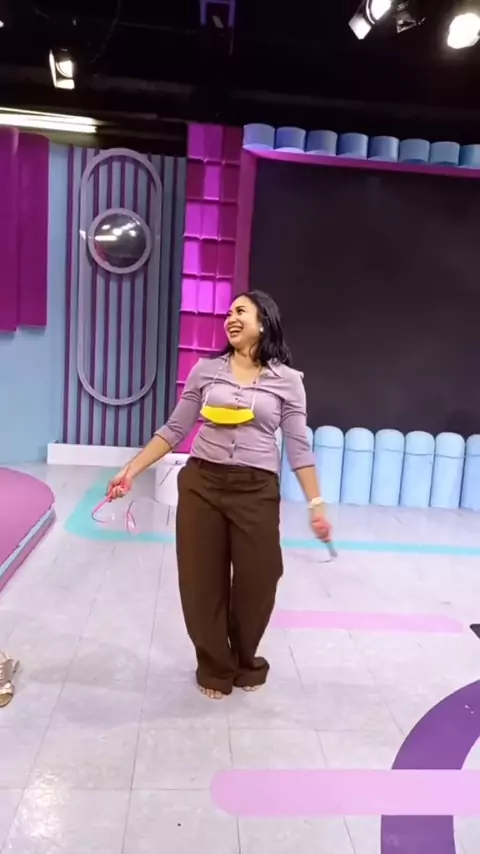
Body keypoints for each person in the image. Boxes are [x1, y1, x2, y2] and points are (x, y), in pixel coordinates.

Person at [108, 290, 332, 699]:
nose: (230, 318)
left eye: (241, 311)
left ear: (263, 323)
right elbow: (175, 429)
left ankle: (245, 659)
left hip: (256, 490)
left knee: (260, 577)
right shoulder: (206, 371)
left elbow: (299, 447)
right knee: (201, 582)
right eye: (228, 312)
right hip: (203, 484)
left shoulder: (287, 381)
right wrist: (131, 470)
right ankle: (214, 667)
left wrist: (316, 505)